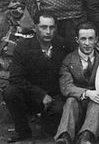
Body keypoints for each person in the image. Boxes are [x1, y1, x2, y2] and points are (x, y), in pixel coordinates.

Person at [3, 11, 66, 143]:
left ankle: (47, 122)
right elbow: (16, 78)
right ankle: (23, 131)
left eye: (51, 27)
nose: (48, 32)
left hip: (54, 96)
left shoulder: (62, 45)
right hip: (31, 95)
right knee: (10, 92)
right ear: (35, 27)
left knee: (49, 133)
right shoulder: (23, 47)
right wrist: (41, 94)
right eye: (43, 27)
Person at [55, 22, 99, 144]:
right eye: (83, 39)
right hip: (78, 99)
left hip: (98, 101)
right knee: (71, 100)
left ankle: (86, 136)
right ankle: (65, 136)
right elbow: (66, 87)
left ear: (96, 40)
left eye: (91, 39)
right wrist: (87, 93)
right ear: (77, 40)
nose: (87, 43)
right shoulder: (68, 60)